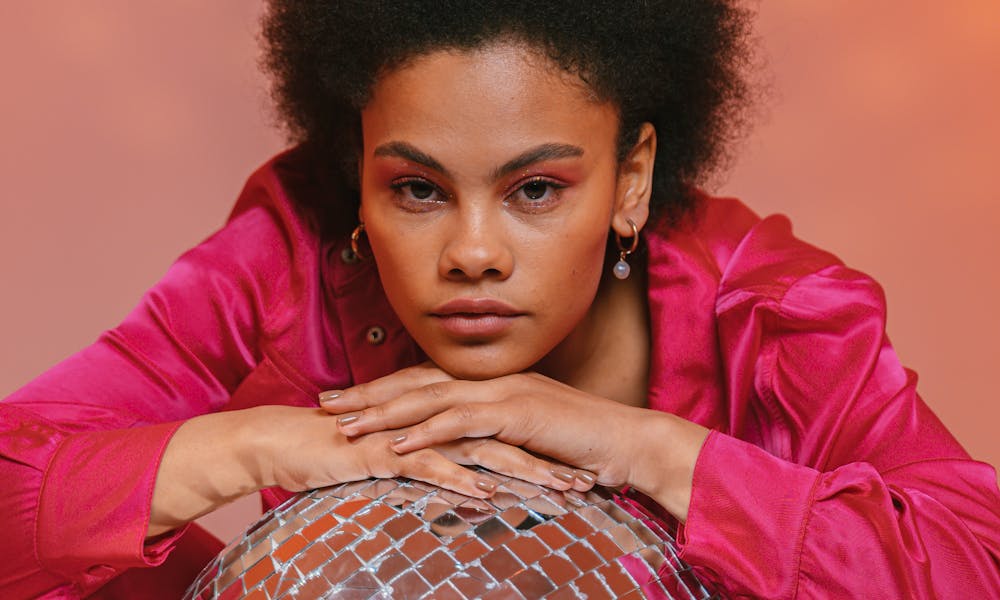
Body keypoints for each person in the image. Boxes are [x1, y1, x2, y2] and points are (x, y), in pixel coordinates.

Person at [2, 1, 998, 597]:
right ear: (358, 176)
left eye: (535, 190)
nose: (471, 254)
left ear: (632, 178)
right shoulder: (286, 264)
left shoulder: (772, 309)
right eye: (418, 189)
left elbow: (971, 565)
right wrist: (261, 446)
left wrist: (635, 443)